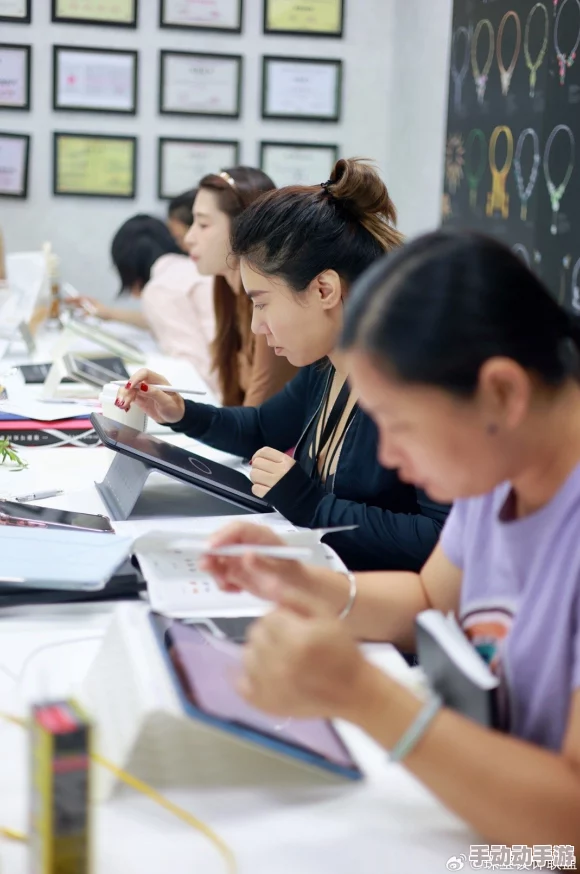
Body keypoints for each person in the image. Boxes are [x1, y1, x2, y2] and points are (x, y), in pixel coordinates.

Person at [202, 231, 580, 849]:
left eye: (399, 424)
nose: (388, 456)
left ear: (502, 393)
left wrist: (364, 695)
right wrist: (304, 582)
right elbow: (432, 598)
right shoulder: (502, 467)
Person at [116, 159, 449, 571]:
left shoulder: (419, 383)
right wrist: (180, 412)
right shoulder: (327, 365)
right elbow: (259, 428)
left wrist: (310, 503)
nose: (257, 325)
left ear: (324, 290)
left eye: (262, 302)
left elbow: (442, 542)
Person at [184, 166, 297, 407]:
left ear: (243, 228)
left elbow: (255, 420)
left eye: (203, 225)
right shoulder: (225, 291)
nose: (189, 238)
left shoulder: (271, 305)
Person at [71, 214, 217, 391]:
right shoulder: (189, 268)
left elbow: (192, 367)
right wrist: (107, 313)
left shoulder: (160, 288)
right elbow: (162, 321)